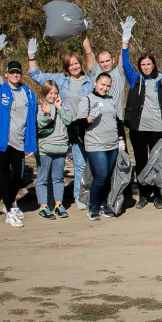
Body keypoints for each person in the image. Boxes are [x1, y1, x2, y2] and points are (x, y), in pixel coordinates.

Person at [28, 34, 94, 210]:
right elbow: (36, 75)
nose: (74, 66)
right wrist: (31, 56)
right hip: (62, 129)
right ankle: (62, 198)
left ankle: (83, 196)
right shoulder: (60, 80)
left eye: (76, 63)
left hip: (82, 128)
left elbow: (91, 57)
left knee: (82, 162)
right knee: (59, 165)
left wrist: (84, 34)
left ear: (80, 64)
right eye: (70, 64)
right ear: (66, 67)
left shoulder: (90, 81)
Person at [119, 16, 162, 209]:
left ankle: (159, 195)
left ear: (153, 65)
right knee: (141, 161)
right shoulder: (135, 80)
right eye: (143, 65)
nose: (146, 67)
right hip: (138, 129)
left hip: (157, 128)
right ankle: (143, 194)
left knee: (157, 162)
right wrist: (125, 40)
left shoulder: (161, 81)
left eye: (148, 64)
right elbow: (125, 65)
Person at [0, 35, 38, 228]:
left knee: (18, 176)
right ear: (6, 74)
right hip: (2, 141)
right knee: (4, 175)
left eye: (18, 72)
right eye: (12, 72)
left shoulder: (28, 92)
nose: (15, 75)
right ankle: (9, 210)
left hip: (20, 141)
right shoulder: (0, 90)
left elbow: (34, 115)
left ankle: (11, 202)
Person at [76, 72, 125, 220]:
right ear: (95, 83)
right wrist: (90, 118)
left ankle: (104, 205)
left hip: (112, 145)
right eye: (102, 84)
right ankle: (93, 206)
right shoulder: (87, 100)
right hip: (96, 145)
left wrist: (121, 140)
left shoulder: (111, 100)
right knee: (101, 176)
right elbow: (79, 123)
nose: (105, 88)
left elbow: (117, 121)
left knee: (108, 176)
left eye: (108, 86)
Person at [36, 81, 71, 219]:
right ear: (45, 93)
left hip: (61, 147)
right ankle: (43, 206)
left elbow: (69, 120)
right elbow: (40, 125)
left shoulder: (62, 105)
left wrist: (59, 108)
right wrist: (47, 114)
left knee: (58, 178)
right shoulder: (41, 107)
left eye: (55, 92)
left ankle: (58, 204)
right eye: (50, 93)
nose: (53, 95)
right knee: (43, 178)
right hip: (45, 147)